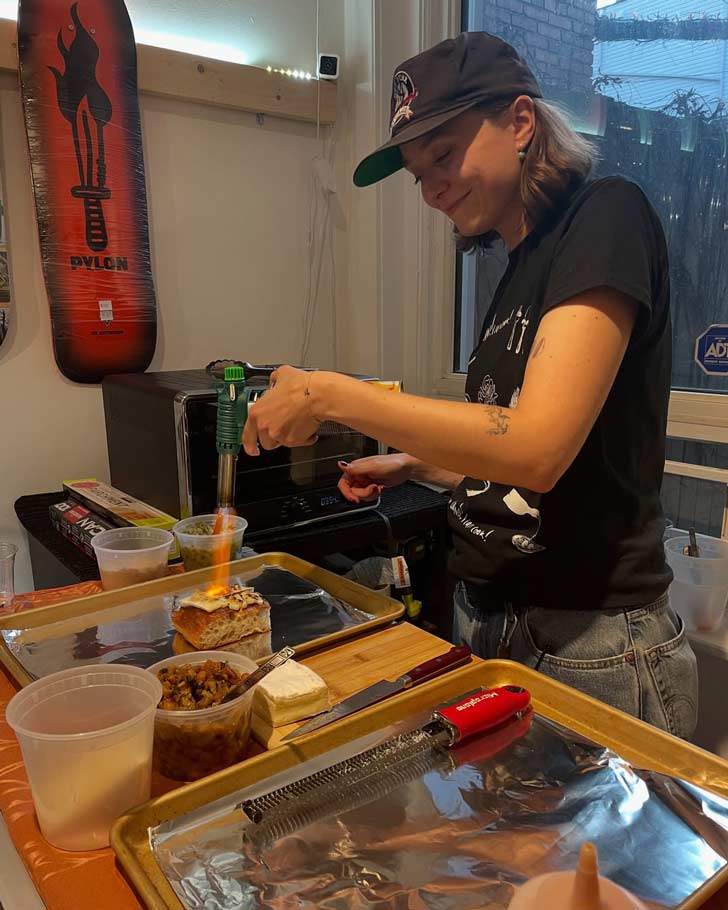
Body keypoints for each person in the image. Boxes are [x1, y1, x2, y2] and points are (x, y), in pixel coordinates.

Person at [242, 32, 698, 739]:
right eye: (419, 174)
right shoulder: (517, 266)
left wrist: (328, 394)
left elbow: (538, 448)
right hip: (496, 620)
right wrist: (419, 464)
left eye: (444, 154)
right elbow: (522, 456)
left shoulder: (606, 215)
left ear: (520, 122)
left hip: (592, 639)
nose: (431, 189)